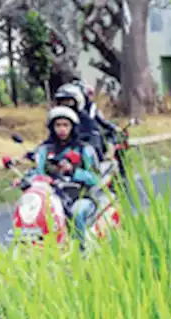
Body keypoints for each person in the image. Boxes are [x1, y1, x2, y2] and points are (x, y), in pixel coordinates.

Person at [34, 106, 103, 237]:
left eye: (66, 125)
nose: (62, 129)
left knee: (76, 213)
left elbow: (95, 178)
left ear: (73, 127)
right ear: (52, 128)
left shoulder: (84, 149)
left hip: (81, 197)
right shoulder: (44, 150)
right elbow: (37, 173)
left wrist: (73, 171)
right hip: (52, 198)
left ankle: (81, 251)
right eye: (58, 125)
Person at [51, 84, 103, 155]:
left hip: (80, 154)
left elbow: (93, 135)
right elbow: (50, 139)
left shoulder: (84, 117)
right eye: (62, 102)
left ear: (77, 101)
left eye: (68, 101)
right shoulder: (57, 118)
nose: (65, 104)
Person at [75, 79, 119, 156]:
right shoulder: (70, 111)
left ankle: (109, 154)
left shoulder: (91, 107)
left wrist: (113, 127)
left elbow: (101, 121)